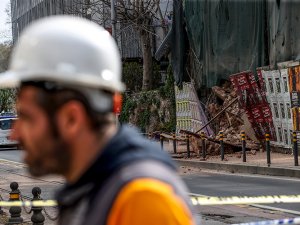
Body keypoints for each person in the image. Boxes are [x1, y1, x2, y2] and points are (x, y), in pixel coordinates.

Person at [0, 16, 196, 225]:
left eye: (27, 118)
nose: (15, 134)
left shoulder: (142, 201)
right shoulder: (94, 188)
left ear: (71, 118)